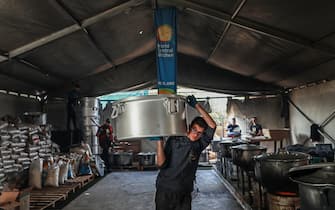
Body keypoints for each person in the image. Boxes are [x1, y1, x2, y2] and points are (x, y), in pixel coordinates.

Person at [155, 95, 217, 210]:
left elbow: (212, 125)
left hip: (185, 191)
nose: (196, 134)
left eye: (200, 133)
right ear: (189, 127)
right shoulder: (175, 139)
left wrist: (196, 105)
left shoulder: (199, 145)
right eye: (194, 129)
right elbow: (161, 164)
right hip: (166, 190)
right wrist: (159, 142)